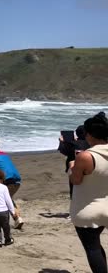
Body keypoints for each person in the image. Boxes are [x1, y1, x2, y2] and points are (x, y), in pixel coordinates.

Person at [69, 112, 108, 273]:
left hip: (87, 210)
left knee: (92, 248)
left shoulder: (86, 156)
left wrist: (72, 166)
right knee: (96, 246)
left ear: (90, 135)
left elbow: (76, 180)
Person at [58, 125, 90, 199]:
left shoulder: (73, 144)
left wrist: (62, 142)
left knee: (74, 188)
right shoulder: (91, 143)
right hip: (89, 168)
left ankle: (74, 202)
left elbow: (64, 151)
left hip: (74, 168)